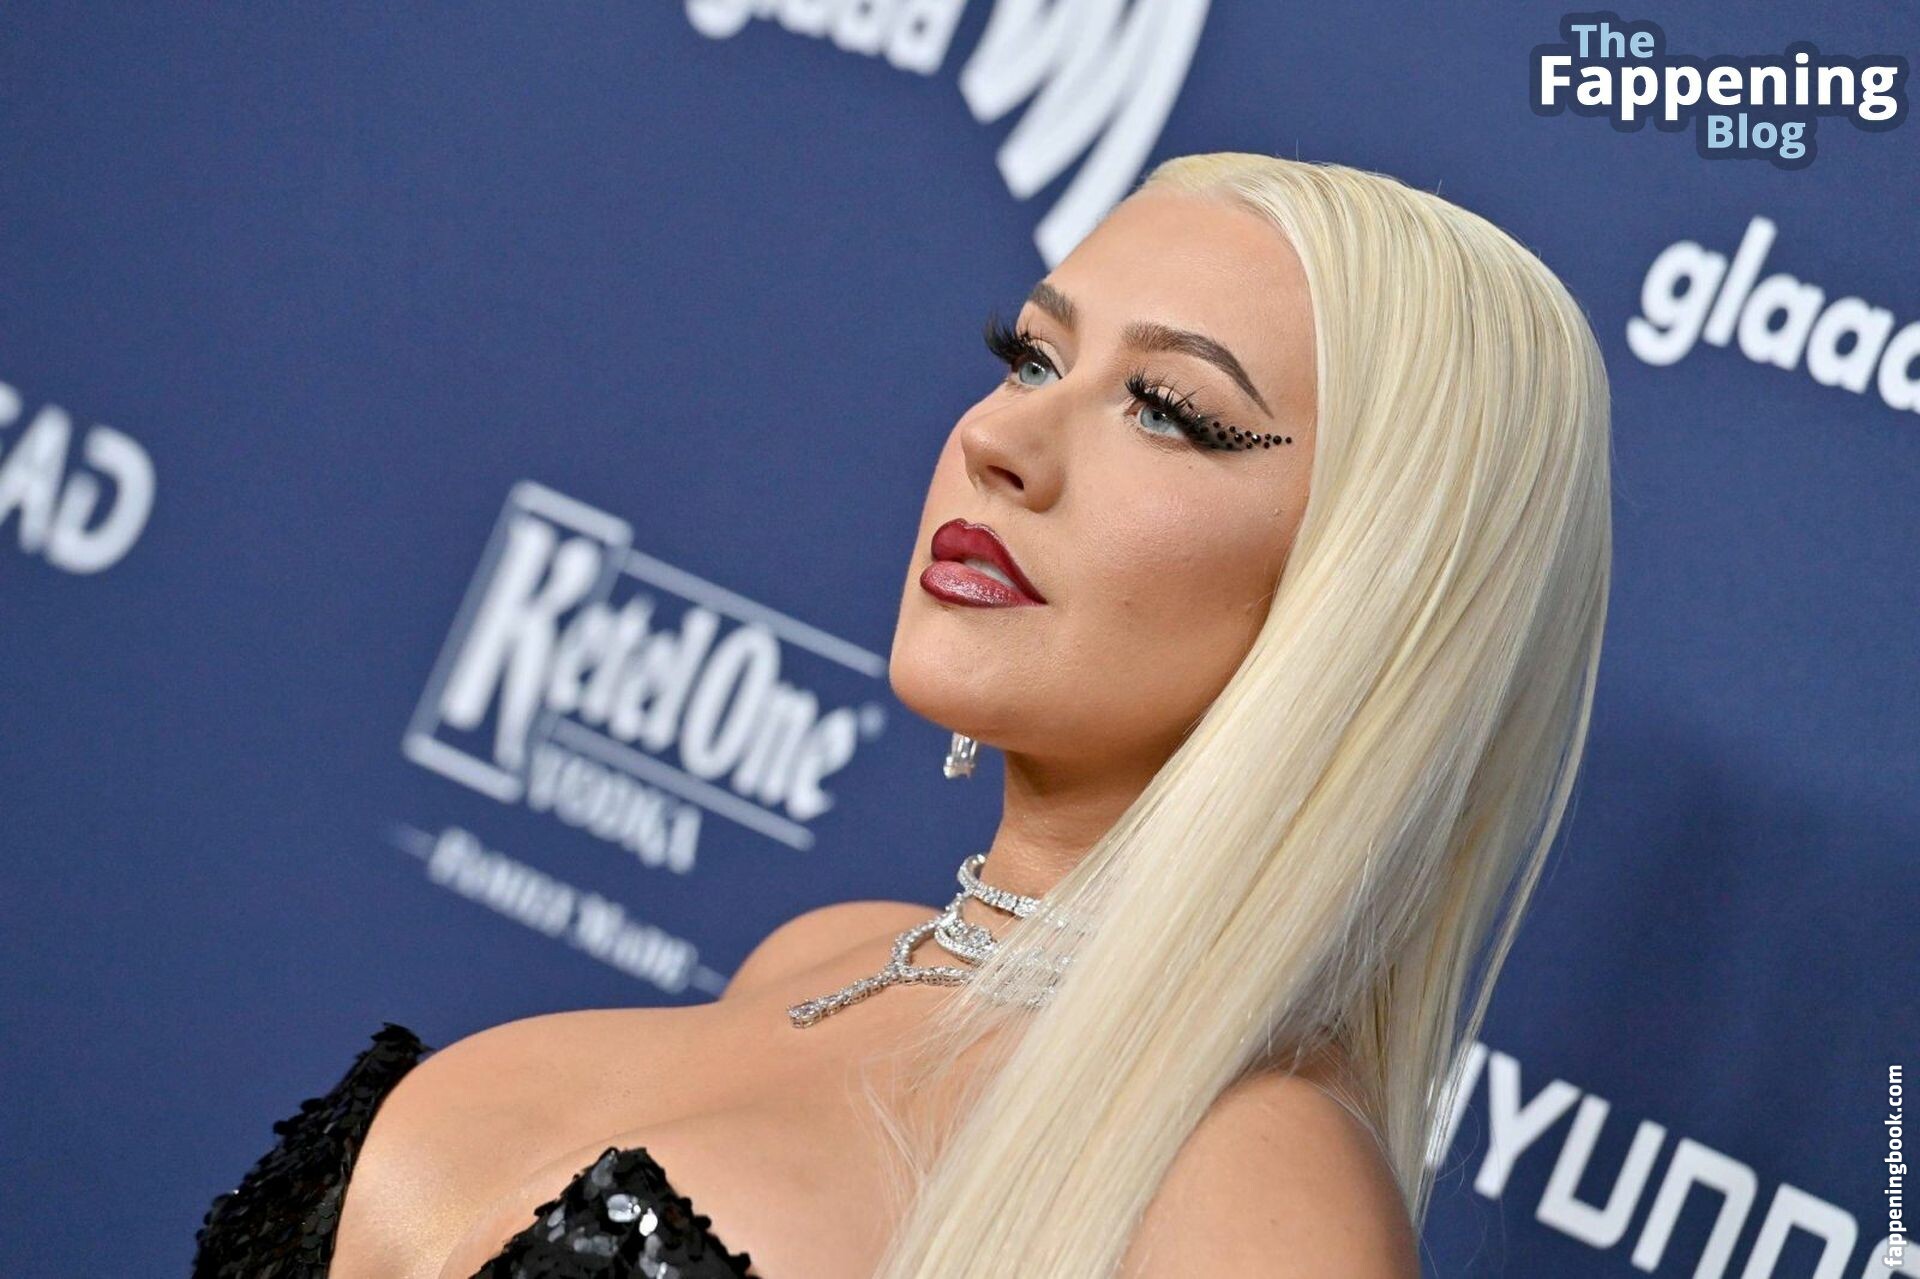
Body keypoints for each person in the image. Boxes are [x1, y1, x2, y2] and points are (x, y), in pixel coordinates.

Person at [193, 150, 1612, 1279]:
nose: (998, 438)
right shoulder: (825, 957)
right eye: (1033, 357)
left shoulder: (1255, 1197)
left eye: (1168, 411)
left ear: (1370, 599)